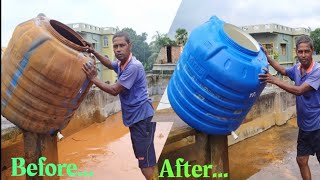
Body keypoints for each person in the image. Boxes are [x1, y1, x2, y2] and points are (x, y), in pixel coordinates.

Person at [82, 31, 156, 180]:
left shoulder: (133, 66)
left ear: (130, 46)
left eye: (122, 45)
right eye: (115, 46)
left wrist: (93, 78)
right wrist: (94, 51)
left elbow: (114, 90)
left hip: (141, 119)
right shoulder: (122, 64)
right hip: (139, 118)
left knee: (144, 162)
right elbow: (109, 64)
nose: (118, 49)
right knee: (147, 156)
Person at [259, 35, 320, 180]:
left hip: (318, 125)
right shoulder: (297, 69)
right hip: (305, 126)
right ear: (296, 53)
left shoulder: (317, 71)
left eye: (307, 51)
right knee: (301, 160)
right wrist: (268, 59)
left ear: (312, 51)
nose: (303, 55)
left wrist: (274, 80)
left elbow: (299, 90)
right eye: (300, 52)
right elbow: (284, 71)